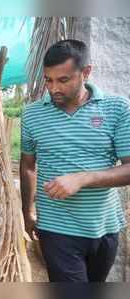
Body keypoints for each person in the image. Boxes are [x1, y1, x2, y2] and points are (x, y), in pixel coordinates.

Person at [20, 39, 130, 282]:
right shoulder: (32, 115)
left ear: (86, 73)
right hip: (57, 228)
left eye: (63, 80)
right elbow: (28, 165)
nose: (53, 88)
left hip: (105, 227)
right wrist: (27, 211)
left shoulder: (118, 109)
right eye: (48, 80)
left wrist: (83, 178)